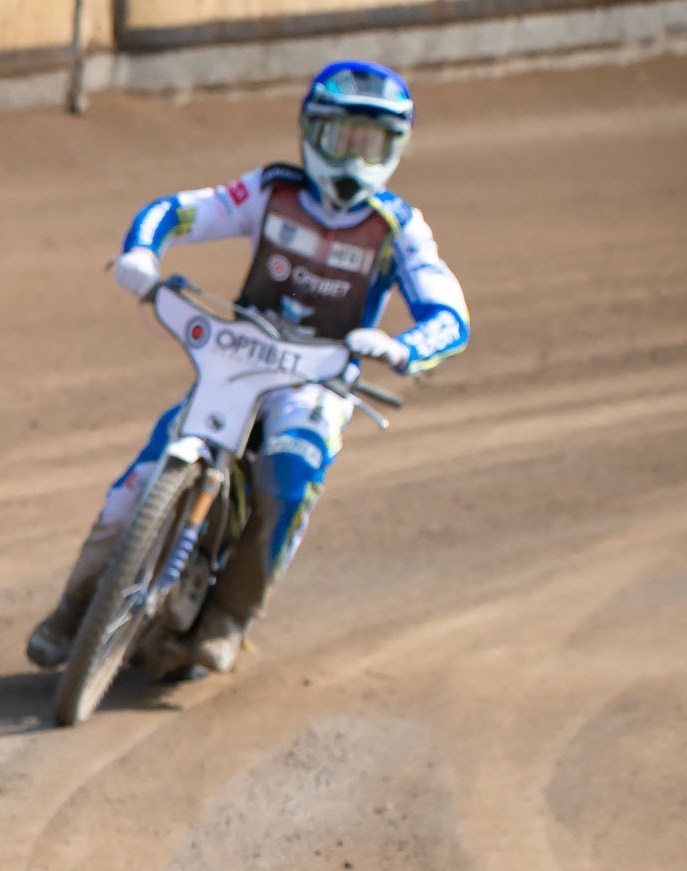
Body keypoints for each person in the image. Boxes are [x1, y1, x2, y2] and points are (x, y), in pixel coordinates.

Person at [27, 61, 470, 679]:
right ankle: (75, 607)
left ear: (397, 149)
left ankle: (228, 619)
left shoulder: (399, 229)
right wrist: (141, 252)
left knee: (289, 480)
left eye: (372, 144)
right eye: (341, 138)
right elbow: (179, 211)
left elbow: (449, 312)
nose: (353, 159)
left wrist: (405, 347)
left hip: (320, 380)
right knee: (143, 475)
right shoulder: (270, 192)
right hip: (238, 357)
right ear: (311, 133)